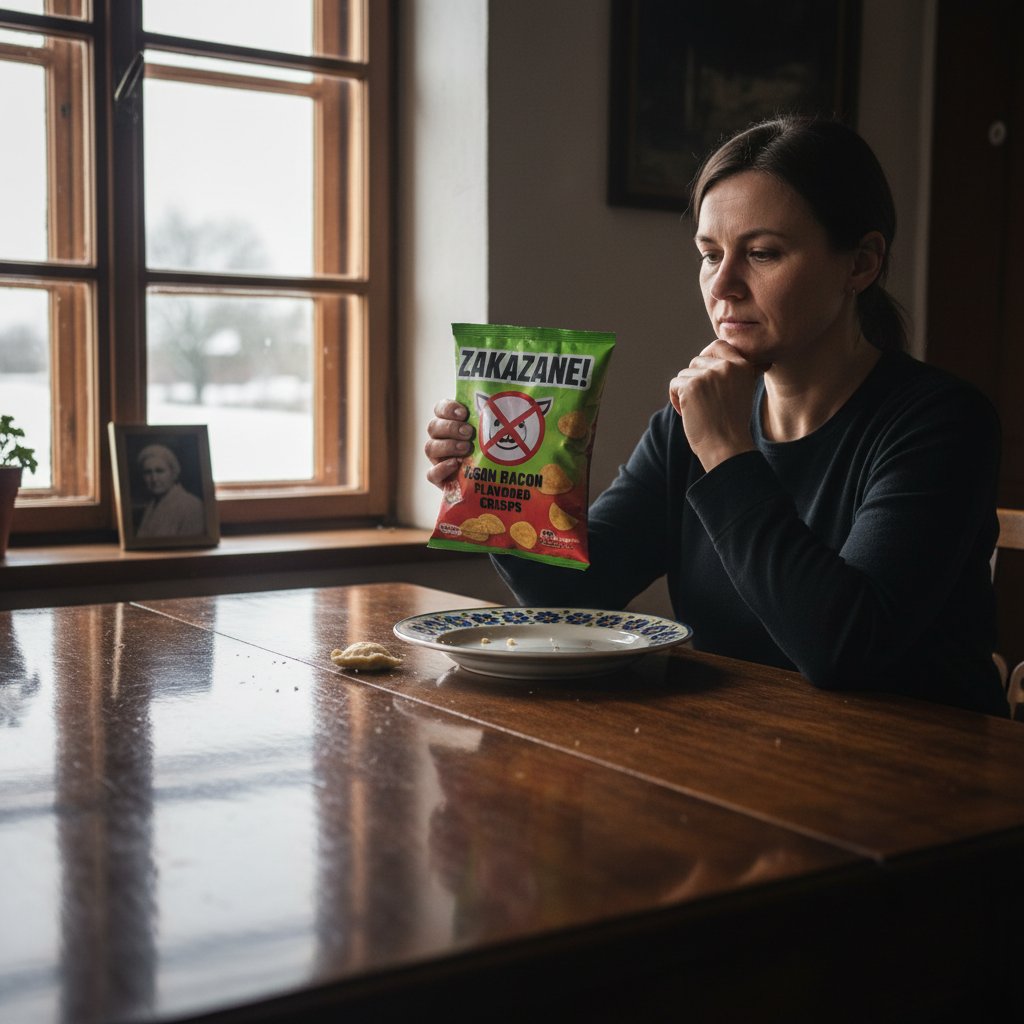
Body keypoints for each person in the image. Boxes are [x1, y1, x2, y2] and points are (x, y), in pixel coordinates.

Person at [425, 115, 1008, 717]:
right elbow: (572, 592)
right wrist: (495, 485)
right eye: (709, 254)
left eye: (762, 253)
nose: (723, 285)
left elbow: (843, 648)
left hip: (922, 776)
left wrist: (728, 452)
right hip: (738, 755)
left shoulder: (942, 423)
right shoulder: (691, 424)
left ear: (861, 263)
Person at [135, 443, 206, 538]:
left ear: (173, 473)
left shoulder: (191, 505)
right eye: (148, 472)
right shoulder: (152, 505)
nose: (154, 479)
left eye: (159, 471)